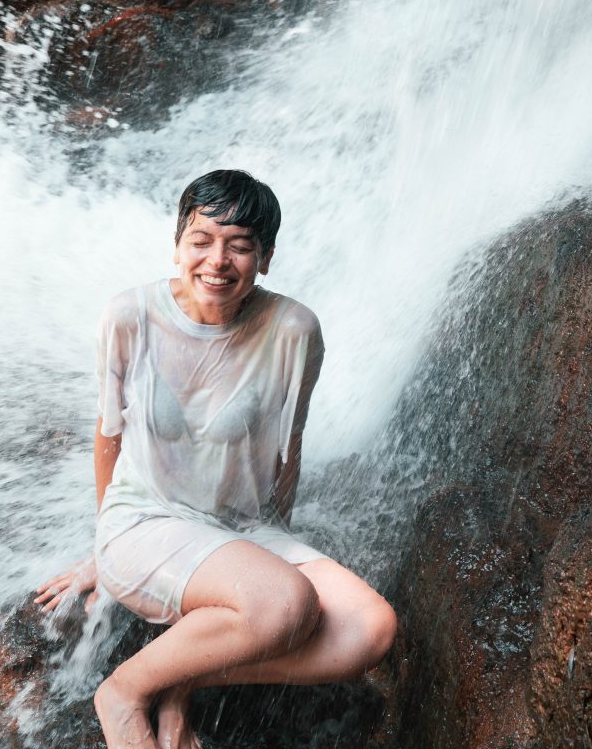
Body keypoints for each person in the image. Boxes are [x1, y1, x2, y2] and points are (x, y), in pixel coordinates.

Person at [36, 169, 397, 749]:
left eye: (240, 245)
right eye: (201, 240)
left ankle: (179, 680)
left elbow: (288, 448)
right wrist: (104, 549)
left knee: (371, 629)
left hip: (242, 528)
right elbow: (108, 439)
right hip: (147, 521)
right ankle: (124, 694)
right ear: (178, 244)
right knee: (284, 603)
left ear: (267, 256)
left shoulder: (294, 330)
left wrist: (272, 540)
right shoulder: (129, 317)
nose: (217, 260)